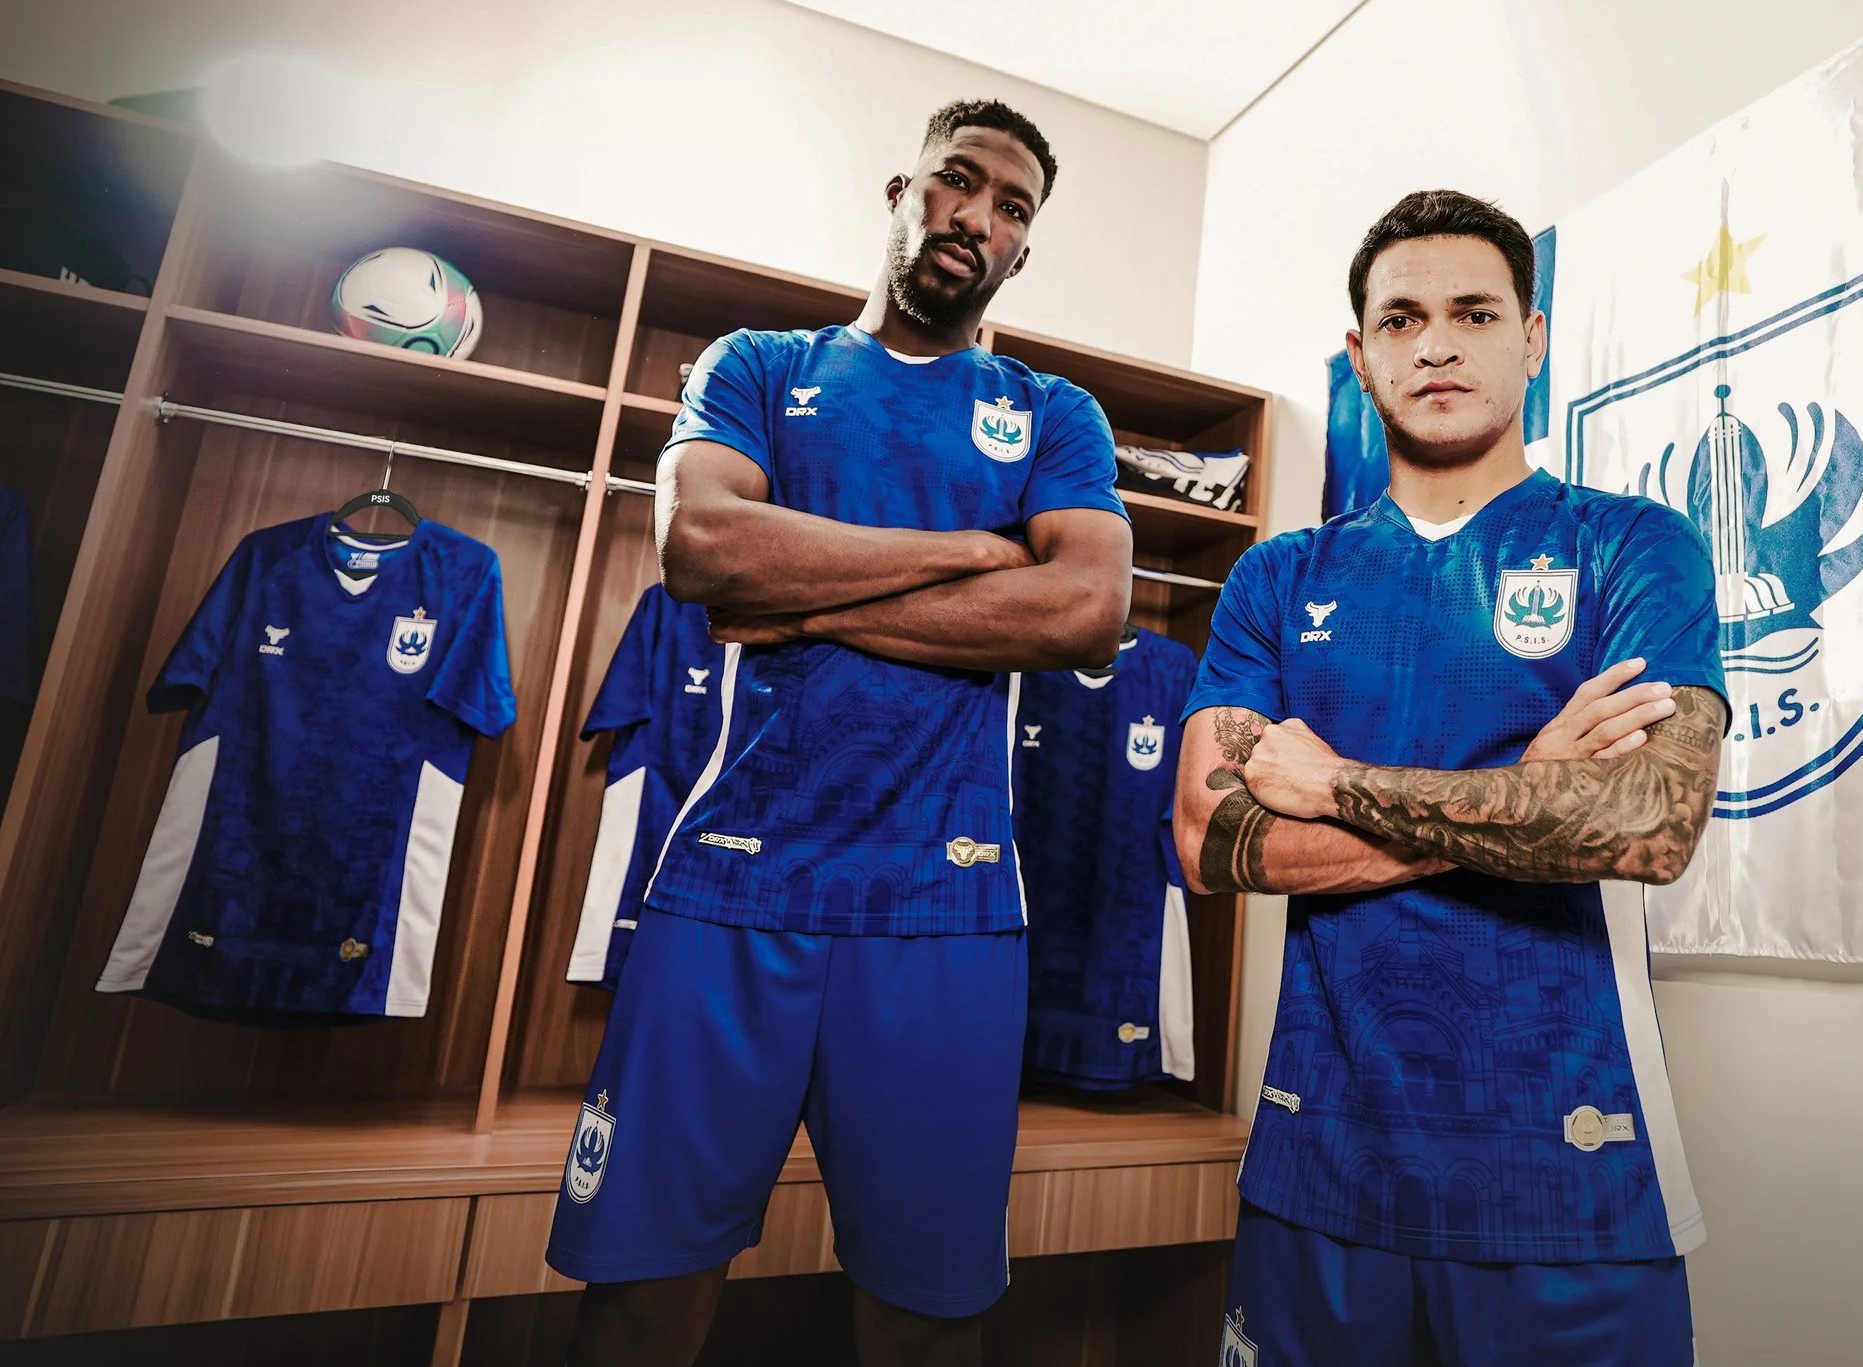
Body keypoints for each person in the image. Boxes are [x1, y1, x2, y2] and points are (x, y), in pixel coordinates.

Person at [549, 101, 1134, 1367]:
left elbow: (1087, 608)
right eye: (955, 183)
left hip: (947, 906)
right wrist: (978, 558)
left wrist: (803, 585)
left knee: (926, 1317)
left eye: (1010, 207)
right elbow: (704, 551)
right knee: (640, 1299)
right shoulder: (757, 364)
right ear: (900, 192)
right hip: (729, 887)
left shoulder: (1053, 414)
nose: (974, 217)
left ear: (1022, 250)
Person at [1175, 189, 1728, 1366]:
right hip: (1317, 1165)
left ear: (1531, 338)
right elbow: (1212, 840)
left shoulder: (1633, 543)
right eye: (1402, 318)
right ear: (1360, 354)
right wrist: (1528, 782)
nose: (1436, 342)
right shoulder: (1280, 577)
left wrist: (1336, 785)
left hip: (1573, 1175)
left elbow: (1646, 822)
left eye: (1475, 313)